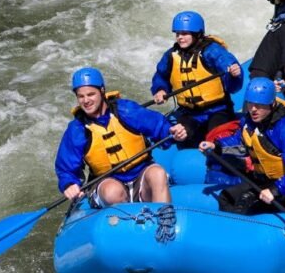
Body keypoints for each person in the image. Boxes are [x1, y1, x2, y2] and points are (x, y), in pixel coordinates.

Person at [55, 67, 188, 206]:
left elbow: (160, 127)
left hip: (141, 175)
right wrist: (69, 184)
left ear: (102, 91)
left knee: (158, 173)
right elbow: (65, 167)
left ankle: (164, 219)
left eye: (91, 94)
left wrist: (172, 133)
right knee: (113, 192)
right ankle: (125, 225)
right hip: (107, 182)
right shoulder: (77, 129)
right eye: (81, 96)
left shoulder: (126, 110)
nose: (86, 100)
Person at [199, 77, 285, 215]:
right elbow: (240, 142)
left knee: (245, 205)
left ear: (272, 103)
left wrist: (277, 189)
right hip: (268, 181)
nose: (253, 110)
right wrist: (216, 146)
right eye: (250, 104)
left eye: (259, 105)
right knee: (227, 198)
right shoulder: (250, 122)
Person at [151, 10, 243, 148]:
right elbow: (161, 75)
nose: (180, 37)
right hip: (189, 112)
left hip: (218, 109)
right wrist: (160, 90)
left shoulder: (212, 51)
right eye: (177, 34)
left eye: (185, 34)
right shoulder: (171, 55)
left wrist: (234, 73)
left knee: (218, 137)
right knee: (182, 135)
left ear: (197, 34)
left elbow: (228, 66)